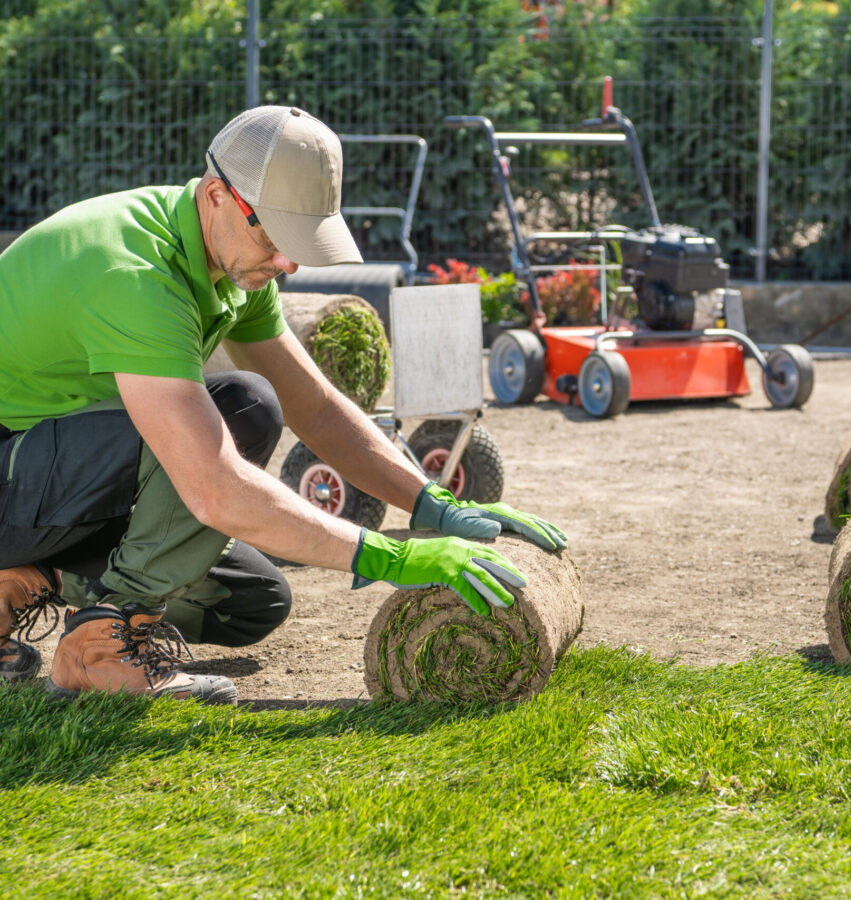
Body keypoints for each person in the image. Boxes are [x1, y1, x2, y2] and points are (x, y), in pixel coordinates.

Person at [0, 105, 566, 706]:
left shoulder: (228, 258)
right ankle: (98, 649)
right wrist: (393, 556)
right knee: (244, 407)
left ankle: (27, 578)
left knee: (252, 602)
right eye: (274, 236)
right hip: (13, 471)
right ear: (218, 195)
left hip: (46, 480)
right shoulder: (134, 273)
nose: (288, 263)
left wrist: (435, 504)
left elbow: (316, 408)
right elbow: (213, 486)